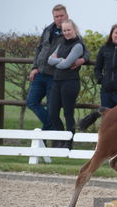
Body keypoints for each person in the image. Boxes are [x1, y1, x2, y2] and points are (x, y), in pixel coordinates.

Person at [27, 4, 88, 134]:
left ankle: (53, 136)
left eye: (61, 16)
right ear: (53, 17)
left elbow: (84, 51)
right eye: (56, 16)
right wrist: (34, 67)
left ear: (66, 16)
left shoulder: (71, 32)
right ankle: (51, 128)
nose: (59, 19)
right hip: (40, 73)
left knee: (54, 110)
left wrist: (82, 60)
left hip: (54, 76)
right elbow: (39, 49)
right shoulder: (48, 30)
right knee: (31, 102)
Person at [47, 19, 85, 149]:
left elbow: (66, 64)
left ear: (74, 29)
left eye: (69, 30)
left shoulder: (78, 45)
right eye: (64, 30)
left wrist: (59, 60)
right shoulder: (61, 43)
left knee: (68, 114)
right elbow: (49, 59)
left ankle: (69, 143)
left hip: (70, 82)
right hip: (57, 82)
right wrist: (60, 60)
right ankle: (61, 138)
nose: (66, 32)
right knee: (52, 112)